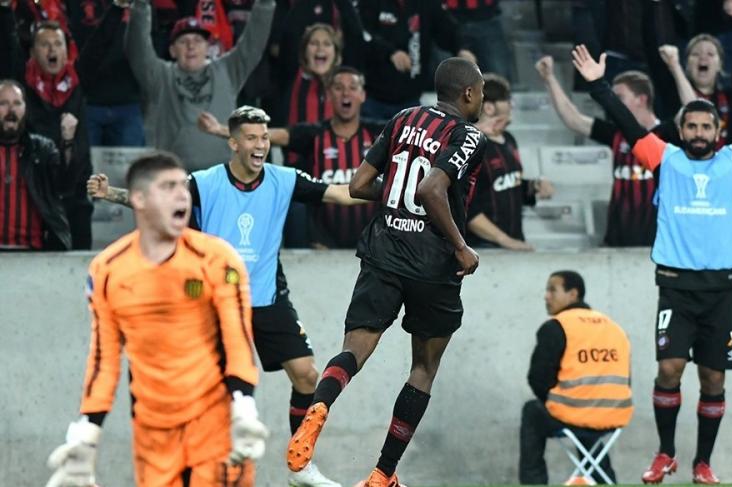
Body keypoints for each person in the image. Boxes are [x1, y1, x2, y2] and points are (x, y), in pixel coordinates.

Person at [571, 44, 732, 484]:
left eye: (705, 126)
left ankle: (703, 463)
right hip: (676, 286)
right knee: (669, 369)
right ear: (680, 129)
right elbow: (625, 123)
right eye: (691, 126)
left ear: (718, 130)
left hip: (721, 290)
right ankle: (665, 453)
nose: (698, 133)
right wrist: (598, 85)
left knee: (713, 378)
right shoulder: (664, 158)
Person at [89, 106, 361, 487]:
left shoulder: (284, 178)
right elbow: (160, 200)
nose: (260, 145)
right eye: (251, 138)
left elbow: (343, 194)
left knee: (306, 374)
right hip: (213, 303)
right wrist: (110, 194)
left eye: (264, 138)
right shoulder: (205, 182)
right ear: (233, 143)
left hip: (267, 296)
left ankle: (300, 467)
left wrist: (396, 188)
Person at [285, 57, 486, 487]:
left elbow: (358, 185)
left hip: (384, 250)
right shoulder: (468, 135)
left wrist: (393, 191)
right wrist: (460, 246)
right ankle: (382, 474)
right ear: (469, 93)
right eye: (482, 93)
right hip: (433, 264)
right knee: (423, 368)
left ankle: (320, 407)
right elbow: (431, 188)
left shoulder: (403, 118)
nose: (482, 100)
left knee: (353, 351)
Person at [45, 152, 267, 487]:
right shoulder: (108, 270)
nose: (182, 196)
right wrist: (86, 433)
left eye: (183, 186)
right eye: (168, 187)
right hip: (152, 433)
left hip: (215, 424)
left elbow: (237, 337)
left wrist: (243, 406)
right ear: (139, 199)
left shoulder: (217, 258)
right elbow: (104, 358)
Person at [198, 67, 382, 249]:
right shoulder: (313, 134)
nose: (345, 93)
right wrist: (221, 130)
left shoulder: (379, 135)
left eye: (352, 87)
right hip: (322, 247)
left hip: (371, 246)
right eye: (339, 88)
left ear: (363, 95)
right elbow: (273, 135)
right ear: (328, 94)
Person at [536, 56, 671, 247]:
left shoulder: (669, 135)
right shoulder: (617, 134)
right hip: (617, 241)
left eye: (619, 98)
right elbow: (574, 119)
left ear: (642, 99)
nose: (612, 105)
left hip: (659, 243)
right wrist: (549, 78)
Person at [124, 0, 274, 170]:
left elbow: (253, 42)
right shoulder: (160, 76)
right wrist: (141, 5)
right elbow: (137, 47)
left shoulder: (227, 69)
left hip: (223, 175)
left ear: (208, 47)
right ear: (172, 50)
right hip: (175, 176)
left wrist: (265, 4)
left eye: (198, 40)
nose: (191, 46)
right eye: (183, 41)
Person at [519, 270, 632, 485]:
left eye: (552, 290)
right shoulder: (614, 328)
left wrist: (558, 402)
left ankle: (533, 482)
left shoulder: (556, 326)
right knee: (584, 419)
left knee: (532, 411)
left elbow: (537, 379)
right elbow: (626, 379)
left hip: (574, 415)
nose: (546, 296)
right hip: (615, 416)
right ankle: (604, 479)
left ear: (573, 294)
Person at [0, 12, 93, 249]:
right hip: (36, 206)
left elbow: (100, 46)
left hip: (72, 194)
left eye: (58, 44)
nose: (52, 50)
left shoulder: (79, 79)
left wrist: (117, 7)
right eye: (45, 44)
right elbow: (8, 48)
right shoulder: (23, 83)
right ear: (32, 52)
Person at [468, 73, 554, 250]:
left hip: (513, 242)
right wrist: (505, 240)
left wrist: (534, 186)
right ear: (489, 107)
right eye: (507, 100)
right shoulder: (471, 147)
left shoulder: (509, 139)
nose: (511, 105)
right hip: (483, 248)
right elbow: (466, 207)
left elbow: (504, 185)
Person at [358, 0, 476, 120]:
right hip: (373, 98)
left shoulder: (426, 3)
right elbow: (362, 32)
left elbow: (446, 27)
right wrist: (390, 52)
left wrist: (461, 49)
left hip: (411, 97)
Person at [0, 79, 70, 250]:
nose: (11, 110)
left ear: (25, 109)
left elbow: (65, 184)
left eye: (17, 103)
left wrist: (68, 142)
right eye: (3, 103)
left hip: (34, 251)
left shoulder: (43, 149)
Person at [71, 0, 145, 147]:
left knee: (130, 162)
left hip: (128, 100)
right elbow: (83, 53)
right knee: (84, 161)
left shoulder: (141, 4)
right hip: (88, 100)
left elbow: (149, 41)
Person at [658, 35, 731, 147]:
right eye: (696, 54)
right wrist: (674, 65)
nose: (703, 57)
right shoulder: (671, 98)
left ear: (719, 65)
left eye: (710, 54)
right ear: (687, 65)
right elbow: (695, 110)